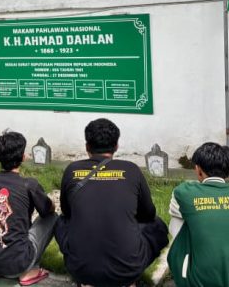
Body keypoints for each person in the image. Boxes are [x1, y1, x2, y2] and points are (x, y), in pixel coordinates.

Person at [55, 118, 169, 287]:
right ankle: (129, 280)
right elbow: (148, 214)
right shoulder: (131, 170)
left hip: (79, 269)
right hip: (128, 270)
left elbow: (67, 212)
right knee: (157, 225)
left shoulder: (72, 170)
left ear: (87, 146)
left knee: (60, 222)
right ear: (116, 146)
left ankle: (89, 277)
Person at [167, 142, 229, 287]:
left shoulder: (183, 193)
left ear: (198, 170)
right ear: (228, 170)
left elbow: (175, 212)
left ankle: (185, 267)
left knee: (179, 219)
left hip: (197, 281)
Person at [0, 131, 56, 286]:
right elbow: (48, 211)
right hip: (17, 263)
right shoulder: (29, 184)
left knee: (3, 226)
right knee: (53, 218)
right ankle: (28, 271)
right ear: (23, 157)